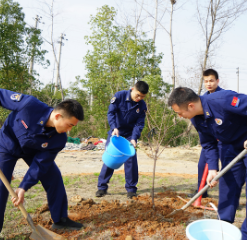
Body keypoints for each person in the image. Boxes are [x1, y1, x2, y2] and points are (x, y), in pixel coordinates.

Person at [0, 89, 84, 232]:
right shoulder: (29, 105)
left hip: (33, 151)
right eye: (69, 125)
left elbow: (40, 164)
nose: (69, 130)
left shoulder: (59, 139)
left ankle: (60, 219)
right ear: (58, 116)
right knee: (1, 186)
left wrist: (23, 187)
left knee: (53, 177)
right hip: (7, 145)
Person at [168, 87, 247, 239]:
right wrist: (212, 169)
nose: (180, 116)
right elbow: (209, 144)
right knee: (228, 189)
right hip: (230, 148)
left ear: (190, 105)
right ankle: (223, 229)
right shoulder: (196, 118)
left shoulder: (223, 100)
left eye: (179, 113)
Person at [96, 81, 149, 199]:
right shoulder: (119, 96)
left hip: (130, 135)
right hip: (116, 132)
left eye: (142, 97)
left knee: (131, 158)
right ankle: (102, 187)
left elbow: (139, 124)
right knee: (112, 157)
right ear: (132, 89)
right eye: (138, 95)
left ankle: (131, 189)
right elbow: (111, 113)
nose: (139, 98)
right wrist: (114, 127)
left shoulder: (142, 105)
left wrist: (134, 138)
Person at [188, 69, 223, 198]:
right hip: (210, 140)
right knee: (202, 165)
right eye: (206, 81)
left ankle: (229, 199)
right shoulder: (202, 99)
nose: (209, 83)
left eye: (211, 81)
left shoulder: (223, 96)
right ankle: (202, 193)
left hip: (225, 140)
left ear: (217, 81)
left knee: (226, 168)